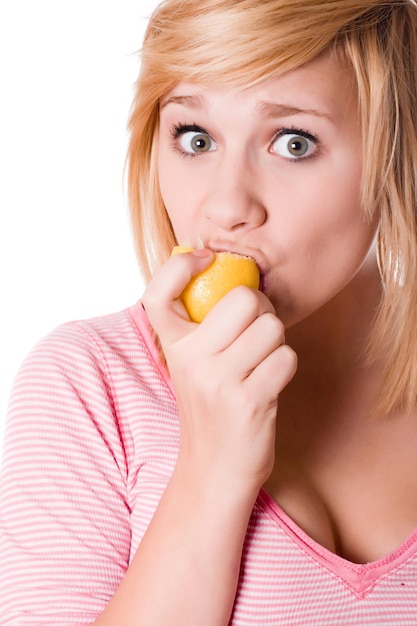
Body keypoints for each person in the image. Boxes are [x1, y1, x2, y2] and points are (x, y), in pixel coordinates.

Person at [2, 0, 417, 623]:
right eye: (195, 138)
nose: (226, 207)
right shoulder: (90, 385)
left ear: (395, 156)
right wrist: (211, 464)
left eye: (293, 142)